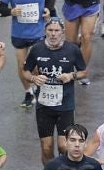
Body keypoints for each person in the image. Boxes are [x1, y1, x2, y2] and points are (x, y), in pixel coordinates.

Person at [22, 16, 86, 162]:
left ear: (62, 32)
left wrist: (71, 75)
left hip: (65, 105)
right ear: (45, 31)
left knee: (64, 146)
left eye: (56, 30)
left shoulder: (72, 49)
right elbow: (25, 71)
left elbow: (84, 72)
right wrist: (33, 78)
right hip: (44, 106)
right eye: (50, 30)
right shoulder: (37, 49)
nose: (53, 34)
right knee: (46, 147)